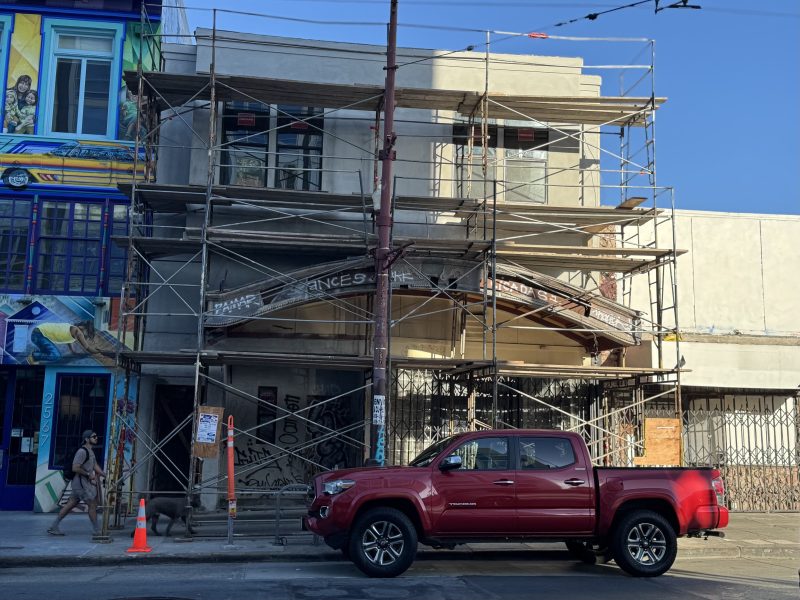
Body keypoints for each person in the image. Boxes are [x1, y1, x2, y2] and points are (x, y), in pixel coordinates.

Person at [48, 430, 106, 536]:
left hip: (80, 484)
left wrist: (104, 474)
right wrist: (88, 475)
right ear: (87, 439)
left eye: (96, 436)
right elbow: (75, 468)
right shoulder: (82, 452)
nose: (96, 438)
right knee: (92, 504)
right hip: (81, 484)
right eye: (94, 436)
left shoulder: (90, 451)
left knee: (71, 504)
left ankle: (54, 526)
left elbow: (95, 465)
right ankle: (97, 530)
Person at [27, 320, 102, 364]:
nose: (86, 336)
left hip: (38, 334)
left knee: (50, 352)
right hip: (39, 335)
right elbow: (87, 348)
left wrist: (73, 351)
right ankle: (34, 356)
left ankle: (37, 353)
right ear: (82, 327)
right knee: (55, 356)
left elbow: (69, 340)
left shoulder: (73, 331)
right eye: (87, 333)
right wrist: (100, 351)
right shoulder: (77, 332)